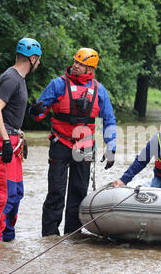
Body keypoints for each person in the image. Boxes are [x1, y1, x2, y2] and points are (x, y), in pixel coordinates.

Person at [31, 47, 117, 237]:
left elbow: (109, 119)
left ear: (90, 69)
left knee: (79, 191)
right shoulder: (58, 84)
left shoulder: (99, 90)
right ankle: (50, 235)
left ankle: (73, 234)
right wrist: (36, 111)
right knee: (56, 191)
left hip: (84, 145)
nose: (76, 66)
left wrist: (111, 147)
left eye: (81, 64)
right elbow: (39, 114)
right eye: (76, 62)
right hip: (60, 142)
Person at [0, 37, 42, 242]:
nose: (39, 63)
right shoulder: (11, 78)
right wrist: (7, 141)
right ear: (33, 58)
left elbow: (10, 112)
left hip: (12, 139)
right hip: (2, 141)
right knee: (4, 196)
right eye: (39, 59)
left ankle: (7, 242)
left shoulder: (19, 79)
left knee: (16, 193)